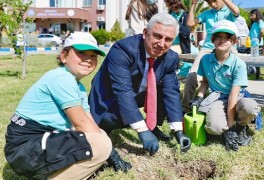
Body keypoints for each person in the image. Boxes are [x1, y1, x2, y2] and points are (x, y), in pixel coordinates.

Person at [89, 13, 191, 172]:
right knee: (108, 124)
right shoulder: (122, 49)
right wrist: (141, 130)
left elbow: (171, 92)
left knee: (164, 91)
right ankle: (121, 126)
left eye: (168, 39)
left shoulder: (171, 58)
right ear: (145, 33)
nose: (161, 44)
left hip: (139, 92)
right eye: (157, 36)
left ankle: (153, 126)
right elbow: (122, 91)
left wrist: (178, 130)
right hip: (109, 99)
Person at [4, 32, 112, 179]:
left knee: (101, 137)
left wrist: (105, 146)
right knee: (100, 144)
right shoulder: (61, 78)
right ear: (64, 56)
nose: (88, 59)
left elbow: (88, 121)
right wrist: (106, 151)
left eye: (93, 56)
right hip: (25, 148)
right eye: (81, 53)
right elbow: (81, 124)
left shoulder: (77, 86)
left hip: (34, 144)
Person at [189, 20, 261, 151]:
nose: (222, 40)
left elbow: (233, 95)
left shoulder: (238, 64)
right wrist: (199, 97)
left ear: (233, 41)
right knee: (214, 128)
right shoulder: (205, 60)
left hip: (237, 97)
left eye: (227, 38)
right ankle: (227, 131)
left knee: (250, 107)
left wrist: (230, 124)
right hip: (217, 98)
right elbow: (205, 82)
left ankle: (240, 126)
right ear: (213, 39)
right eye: (218, 37)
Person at [182, 0, 240, 113]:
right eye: (209, 2)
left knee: (234, 76)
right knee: (191, 77)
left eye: (215, 1)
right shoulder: (207, 14)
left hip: (228, 47)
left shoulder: (229, 11)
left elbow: (236, 11)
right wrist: (193, 4)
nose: (213, 4)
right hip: (208, 48)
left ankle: (234, 108)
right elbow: (189, 23)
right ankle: (185, 109)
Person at [249, 9, 264, 78]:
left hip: (257, 43)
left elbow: (262, 31)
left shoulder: (260, 21)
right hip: (253, 43)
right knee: (253, 58)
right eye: (250, 16)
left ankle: (257, 75)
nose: (251, 17)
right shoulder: (254, 23)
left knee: (257, 59)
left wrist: (259, 38)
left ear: (257, 15)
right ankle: (255, 74)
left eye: (252, 15)